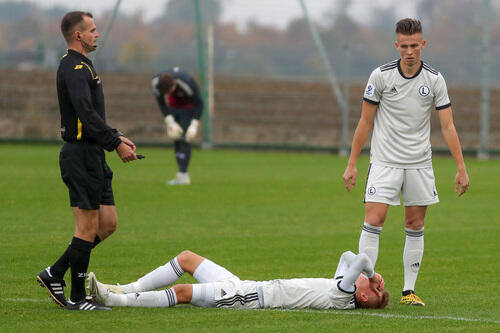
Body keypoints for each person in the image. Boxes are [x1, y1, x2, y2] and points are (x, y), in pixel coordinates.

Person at [342, 18, 470, 306]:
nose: (410, 51)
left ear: (423, 44)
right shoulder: (381, 76)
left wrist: (461, 168)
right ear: (396, 45)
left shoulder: (435, 80)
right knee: (374, 219)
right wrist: (352, 163)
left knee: (415, 224)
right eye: (404, 46)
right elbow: (365, 120)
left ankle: (408, 292)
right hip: (384, 161)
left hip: (419, 163)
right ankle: (365, 285)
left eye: (415, 45)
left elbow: (448, 126)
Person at [36, 11, 138, 311]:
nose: (97, 34)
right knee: (85, 228)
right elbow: (84, 113)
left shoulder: (84, 66)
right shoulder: (74, 67)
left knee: (107, 224)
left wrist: (115, 134)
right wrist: (115, 142)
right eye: (92, 30)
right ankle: (78, 298)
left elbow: (93, 116)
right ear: (78, 35)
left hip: (93, 154)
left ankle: (55, 272)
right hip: (80, 155)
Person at [87, 250, 389, 310]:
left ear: (362, 296)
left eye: (371, 288)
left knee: (181, 292)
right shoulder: (344, 284)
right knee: (187, 258)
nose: (368, 281)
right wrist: (372, 280)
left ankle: (113, 299)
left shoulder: (343, 295)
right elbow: (349, 256)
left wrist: (374, 276)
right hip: (245, 285)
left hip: (248, 298)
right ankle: (124, 288)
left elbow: (361, 261)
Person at [152, 68, 203, 185]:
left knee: (185, 138)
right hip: (173, 107)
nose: (169, 94)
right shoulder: (156, 83)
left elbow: (199, 103)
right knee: (175, 137)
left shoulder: (187, 82)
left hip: (188, 108)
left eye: (170, 91)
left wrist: (194, 125)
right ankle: (181, 174)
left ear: (174, 83)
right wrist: (170, 121)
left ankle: (183, 174)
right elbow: (161, 102)